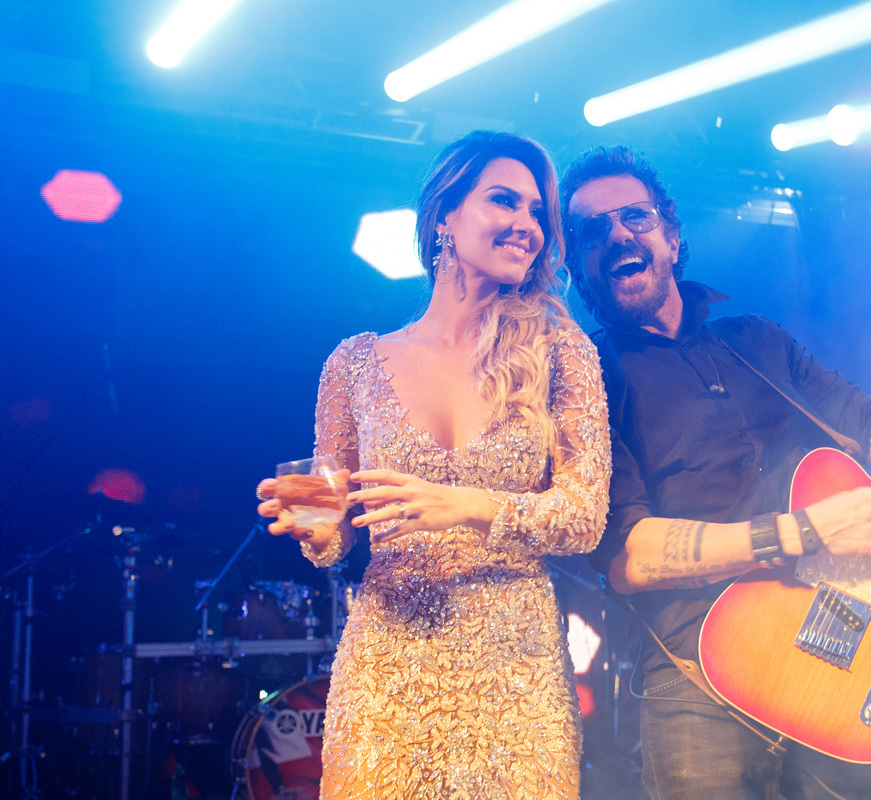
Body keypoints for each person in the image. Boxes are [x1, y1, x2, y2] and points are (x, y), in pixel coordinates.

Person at [558, 146, 871, 800]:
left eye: (634, 216)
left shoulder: (755, 340)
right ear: (577, 267)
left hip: (838, 650)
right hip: (701, 676)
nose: (617, 235)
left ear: (670, 234)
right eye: (592, 230)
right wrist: (805, 530)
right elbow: (629, 558)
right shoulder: (587, 381)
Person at [255, 131, 611, 799]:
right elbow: (334, 540)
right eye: (504, 200)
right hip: (387, 670)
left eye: (537, 211)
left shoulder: (562, 352)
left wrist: (467, 504)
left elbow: (585, 517)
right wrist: (310, 524)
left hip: (517, 676)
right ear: (445, 215)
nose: (527, 224)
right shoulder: (353, 364)